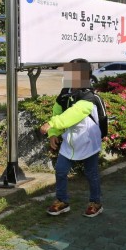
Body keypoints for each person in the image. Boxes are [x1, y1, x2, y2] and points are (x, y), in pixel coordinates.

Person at [39, 58, 103, 217]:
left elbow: (74, 114)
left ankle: (95, 202)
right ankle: (62, 201)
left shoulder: (89, 96)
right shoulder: (64, 93)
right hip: (70, 140)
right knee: (61, 170)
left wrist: (52, 124)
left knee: (91, 173)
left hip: (88, 141)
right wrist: (53, 134)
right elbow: (58, 111)